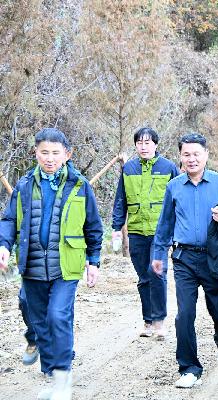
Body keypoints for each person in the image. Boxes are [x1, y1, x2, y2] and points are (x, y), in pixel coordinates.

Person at [0, 128, 103, 400]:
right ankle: (51, 372)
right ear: (35, 153)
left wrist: (94, 261)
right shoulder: (23, 185)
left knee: (58, 315)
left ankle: (62, 379)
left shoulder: (80, 186)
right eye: (44, 152)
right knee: (39, 320)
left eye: (56, 153)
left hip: (65, 266)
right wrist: (4, 246)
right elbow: (9, 220)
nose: (49, 158)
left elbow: (93, 227)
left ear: (67, 155)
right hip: (32, 264)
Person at [151, 133, 218, 389]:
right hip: (184, 257)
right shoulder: (174, 186)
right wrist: (158, 254)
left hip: (215, 257)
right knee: (184, 314)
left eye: (196, 153)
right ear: (180, 156)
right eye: (186, 154)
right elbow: (165, 222)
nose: (191, 159)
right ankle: (189, 367)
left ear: (206, 155)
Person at [112, 128, 179, 339]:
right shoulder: (129, 168)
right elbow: (120, 199)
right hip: (136, 231)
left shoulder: (168, 168)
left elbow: (179, 200)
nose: (143, 146)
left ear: (156, 145)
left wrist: (177, 233)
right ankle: (148, 321)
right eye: (139, 143)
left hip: (160, 233)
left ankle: (159, 321)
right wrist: (116, 228)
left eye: (148, 143)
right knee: (143, 277)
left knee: (156, 273)